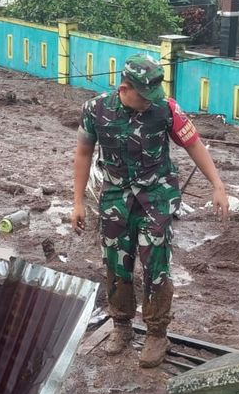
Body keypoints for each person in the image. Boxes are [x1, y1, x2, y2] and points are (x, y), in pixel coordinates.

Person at [70, 55, 230, 368]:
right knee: (117, 264)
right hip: (115, 198)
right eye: (143, 96)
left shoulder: (166, 109)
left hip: (157, 196)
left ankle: (157, 333)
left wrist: (217, 184)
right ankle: (122, 326)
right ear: (124, 88)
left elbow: (194, 144)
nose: (149, 103)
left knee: (155, 263)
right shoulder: (95, 110)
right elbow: (83, 153)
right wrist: (76, 201)